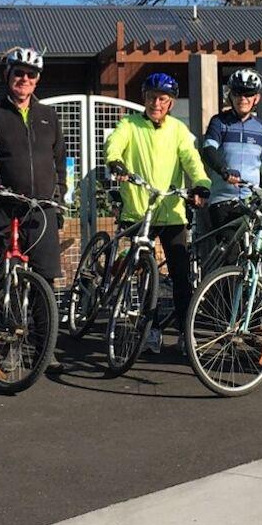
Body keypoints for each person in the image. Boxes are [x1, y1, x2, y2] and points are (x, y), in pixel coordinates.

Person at [103, 72, 210, 355]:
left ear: (171, 102)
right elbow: (114, 144)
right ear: (144, 98)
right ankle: (150, 329)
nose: (156, 104)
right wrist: (115, 162)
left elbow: (191, 159)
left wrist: (201, 183)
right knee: (146, 275)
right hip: (140, 212)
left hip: (172, 212)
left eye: (163, 99)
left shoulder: (178, 130)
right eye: (152, 98)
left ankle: (185, 332)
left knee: (181, 276)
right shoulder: (129, 124)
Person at [0, 46, 66, 287]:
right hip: (6, 203)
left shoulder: (48, 115)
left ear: (37, 80)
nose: (25, 79)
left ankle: (41, 315)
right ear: (8, 75)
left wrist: (61, 197)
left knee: (45, 279)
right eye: (19, 73)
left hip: (41, 207)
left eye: (31, 74)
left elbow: (59, 159)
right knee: (5, 273)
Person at [199, 67, 262, 241]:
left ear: (256, 98)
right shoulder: (219, 122)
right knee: (230, 251)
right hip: (223, 200)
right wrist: (224, 171)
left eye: (248, 94)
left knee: (259, 247)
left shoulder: (261, 127)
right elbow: (208, 150)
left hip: (251, 202)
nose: (243, 98)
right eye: (238, 93)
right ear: (230, 95)